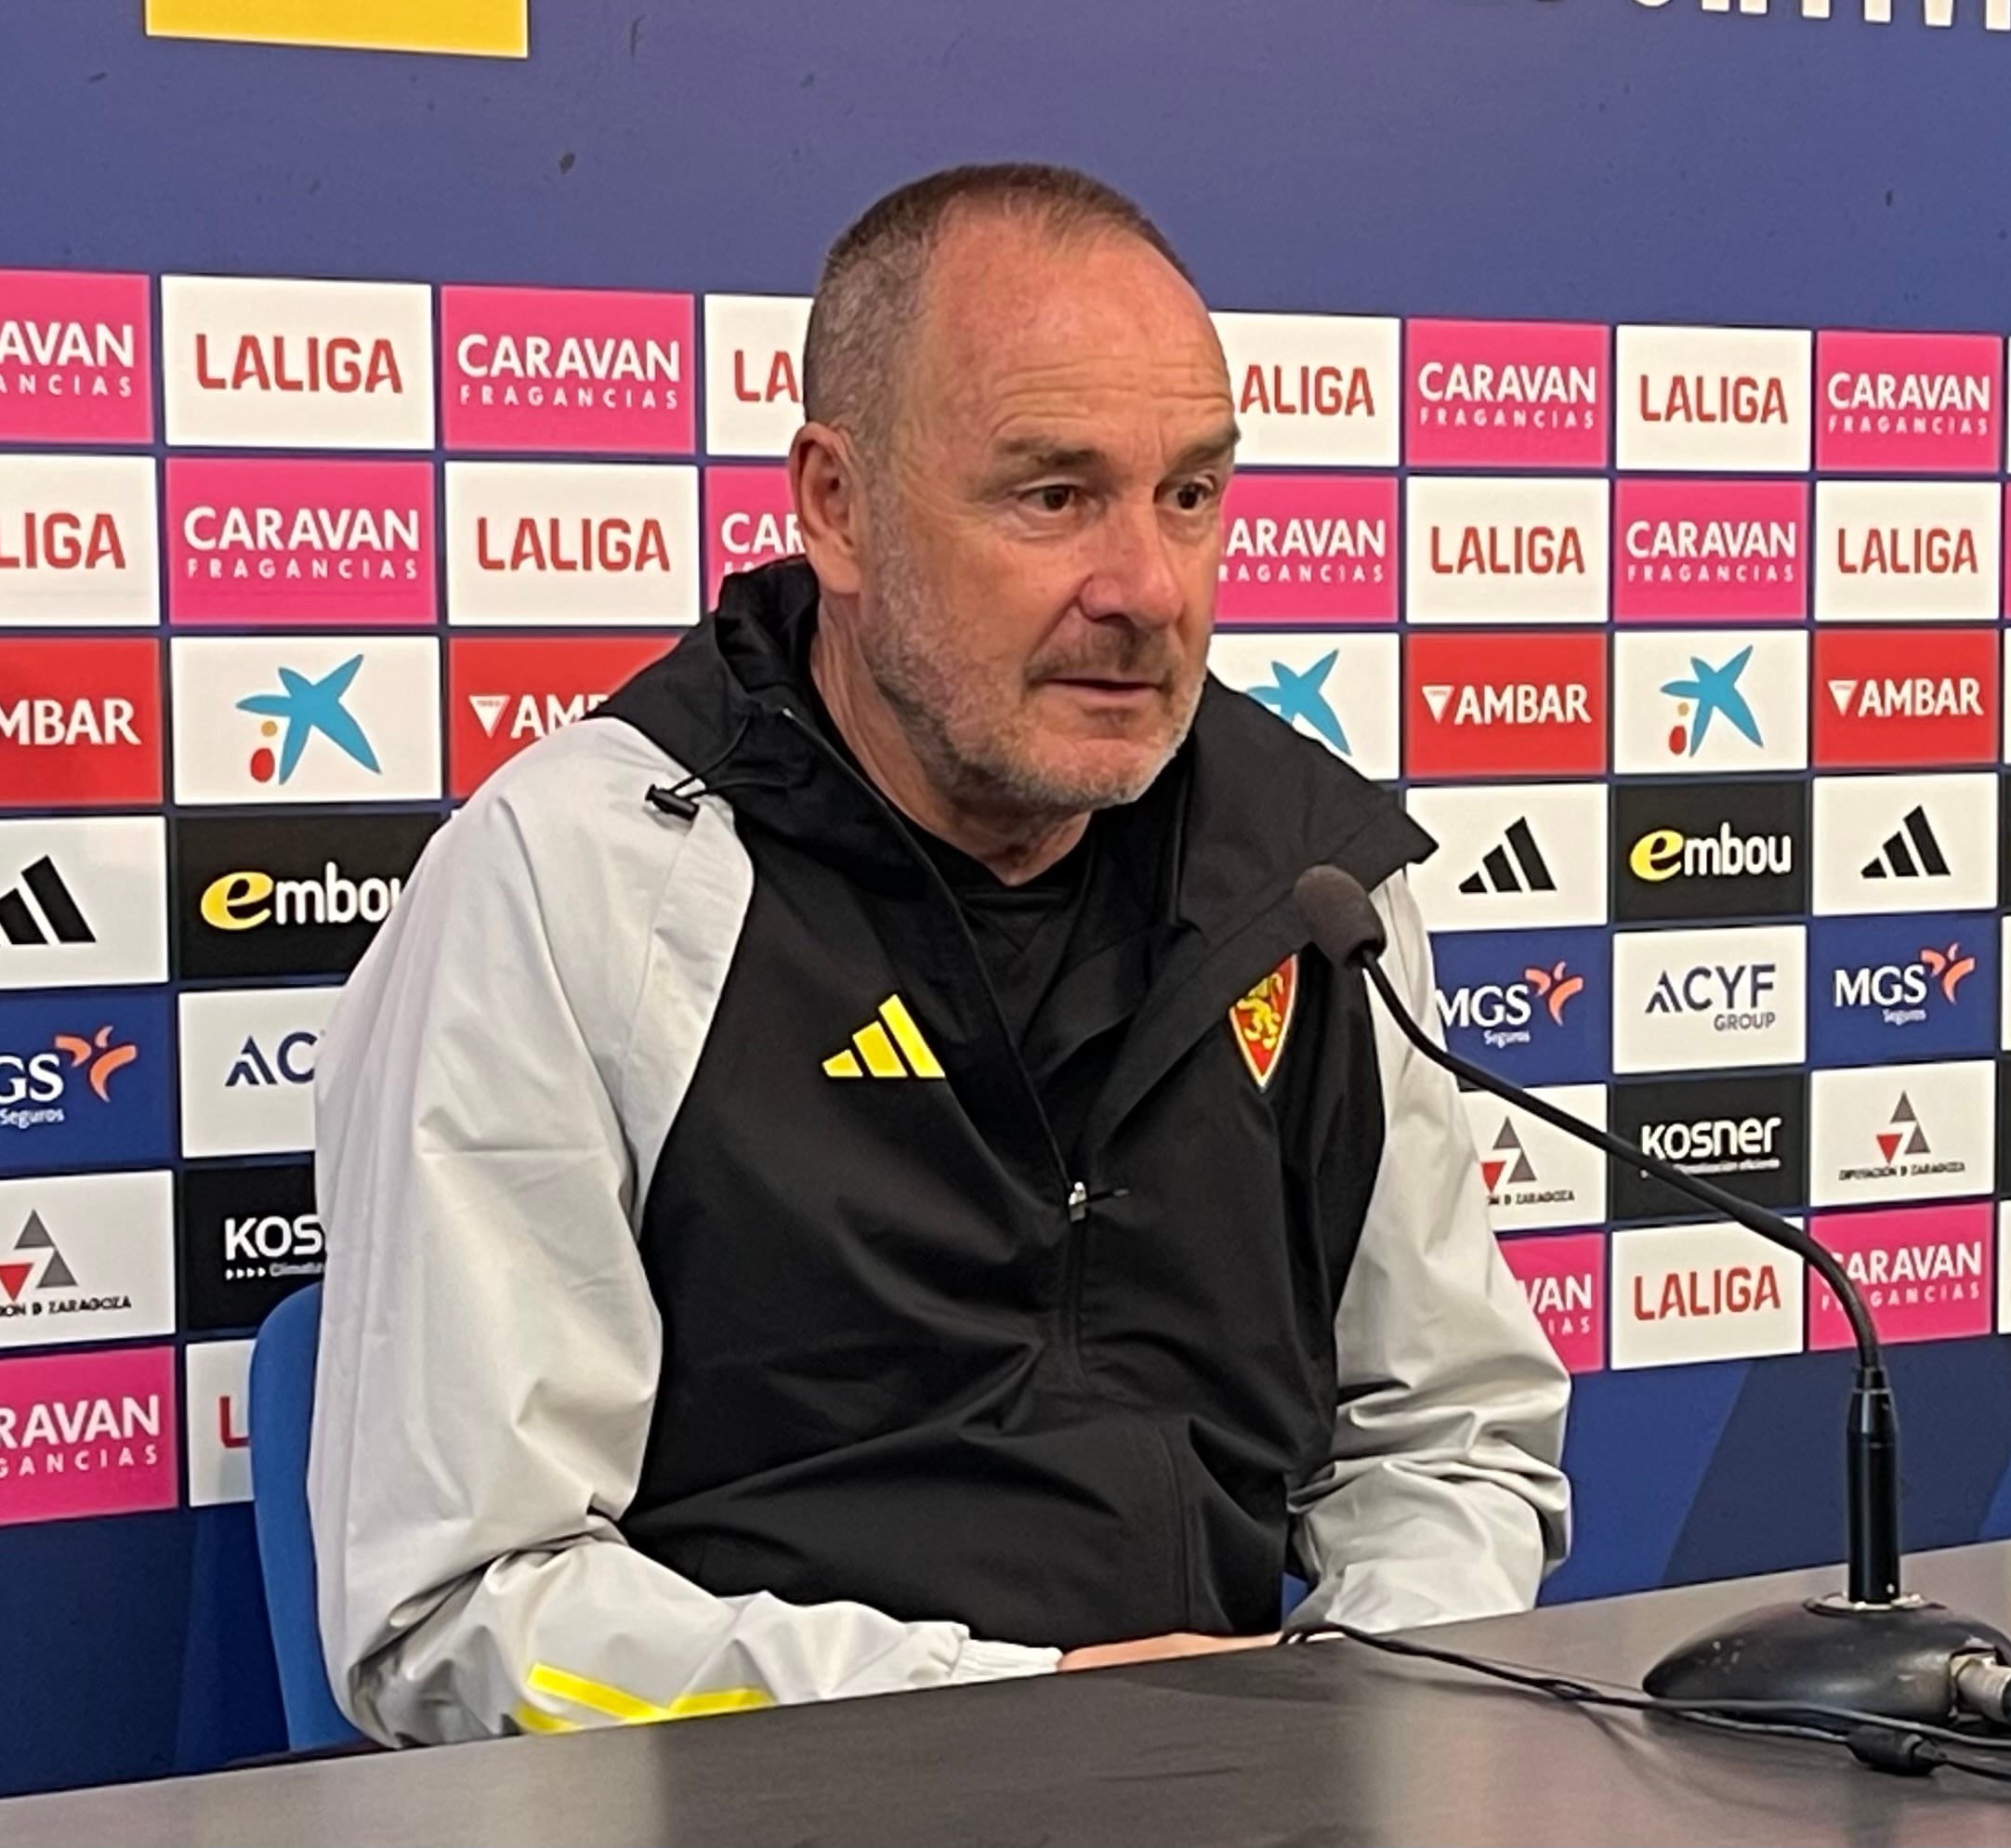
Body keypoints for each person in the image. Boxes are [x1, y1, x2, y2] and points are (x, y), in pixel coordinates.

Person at [309, 162, 1570, 1747]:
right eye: (1052, 495)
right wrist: (1019, 1720)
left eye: (1188, 494)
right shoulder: (575, 878)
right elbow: (456, 1612)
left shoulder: (1304, 875)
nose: (1146, 589)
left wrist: (1351, 1707)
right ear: (834, 504)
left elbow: (1451, 1441)